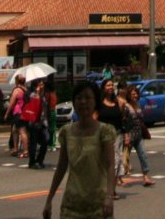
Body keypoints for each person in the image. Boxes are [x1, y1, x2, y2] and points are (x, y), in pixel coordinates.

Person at [43, 80, 116, 219]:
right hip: (72, 205)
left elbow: (111, 166)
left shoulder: (104, 131)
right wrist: (49, 199)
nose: (83, 102)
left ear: (95, 102)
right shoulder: (67, 132)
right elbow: (61, 167)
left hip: (99, 206)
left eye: (88, 98)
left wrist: (109, 197)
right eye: (79, 98)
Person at [118, 85, 153, 187]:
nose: (135, 95)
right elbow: (122, 120)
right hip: (129, 135)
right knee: (123, 158)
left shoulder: (138, 105)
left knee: (143, 155)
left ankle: (146, 177)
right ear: (129, 95)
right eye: (133, 94)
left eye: (136, 94)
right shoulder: (126, 106)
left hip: (139, 135)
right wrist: (125, 135)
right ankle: (119, 178)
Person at [97, 79, 126, 185]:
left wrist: (125, 133)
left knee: (116, 160)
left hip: (117, 135)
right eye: (108, 85)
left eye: (112, 85)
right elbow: (95, 118)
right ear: (103, 87)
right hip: (103, 136)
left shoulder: (118, 102)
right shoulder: (99, 103)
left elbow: (122, 119)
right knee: (104, 161)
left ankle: (112, 188)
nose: (110, 87)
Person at [25, 79, 51, 169]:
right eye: (40, 85)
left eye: (42, 84)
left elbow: (45, 109)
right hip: (34, 123)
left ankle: (40, 160)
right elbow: (32, 107)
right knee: (33, 143)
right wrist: (37, 94)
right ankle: (32, 162)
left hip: (43, 123)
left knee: (46, 140)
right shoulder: (33, 95)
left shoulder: (43, 95)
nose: (42, 86)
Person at [7, 73, 29, 158]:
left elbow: (12, 103)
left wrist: (7, 113)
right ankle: (15, 149)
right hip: (25, 112)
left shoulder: (17, 90)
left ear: (17, 81)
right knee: (14, 130)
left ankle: (25, 151)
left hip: (18, 113)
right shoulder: (26, 89)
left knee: (22, 131)